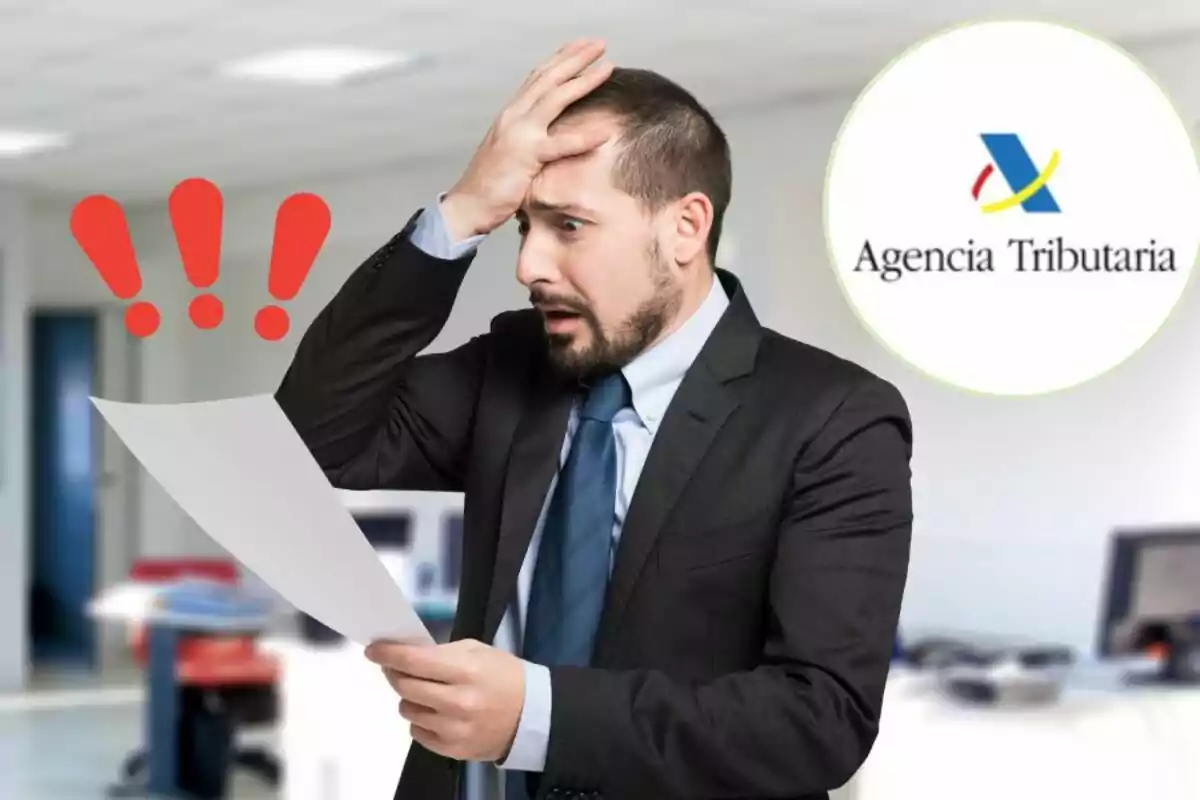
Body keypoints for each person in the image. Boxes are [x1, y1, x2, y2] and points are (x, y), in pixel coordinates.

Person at [274, 37, 914, 800]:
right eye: (523, 227)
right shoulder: (510, 365)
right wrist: (463, 213)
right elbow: (311, 440)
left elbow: (819, 720)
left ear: (684, 228)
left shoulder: (832, 418)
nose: (530, 266)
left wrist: (536, 716)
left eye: (569, 226)